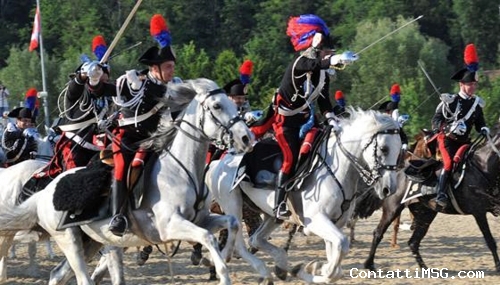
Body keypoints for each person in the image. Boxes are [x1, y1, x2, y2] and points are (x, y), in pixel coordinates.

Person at [250, 14, 358, 219]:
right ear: (318, 49)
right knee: (289, 159)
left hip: (306, 119)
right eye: (328, 52)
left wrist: (331, 117)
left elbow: (323, 99)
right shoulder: (301, 63)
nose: (329, 55)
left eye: (331, 53)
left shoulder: (323, 74)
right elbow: (313, 65)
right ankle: (279, 203)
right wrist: (335, 60)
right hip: (285, 122)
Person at [108, 14, 196, 236]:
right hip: (129, 137)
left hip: (159, 137)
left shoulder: (176, 86)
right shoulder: (135, 82)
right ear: (154, 68)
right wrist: (94, 78)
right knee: (122, 167)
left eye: (173, 66)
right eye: (168, 67)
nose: (172, 70)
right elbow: (105, 91)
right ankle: (118, 215)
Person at [41, 35, 116, 179]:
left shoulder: (108, 101)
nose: (105, 86)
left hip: (100, 149)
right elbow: (75, 87)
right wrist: (84, 75)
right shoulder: (78, 94)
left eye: (106, 82)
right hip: (75, 147)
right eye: (101, 82)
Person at [431, 43, 488, 208]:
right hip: (448, 140)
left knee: (477, 162)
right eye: (470, 85)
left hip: (464, 142)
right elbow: (436, 120)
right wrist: (447, 128)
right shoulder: (451, 101)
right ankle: (441, 193)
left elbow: (480, 122)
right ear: (461, 85)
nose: (473, 87)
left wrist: (484, 128)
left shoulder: (476, 104)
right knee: (449, 164)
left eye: (474, 84)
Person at [378, 83, 409, 149]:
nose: (399, 96)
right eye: (397, 94)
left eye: (398, 94)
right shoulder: (393, 107)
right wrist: (400, 122)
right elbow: (394, 123)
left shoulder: (392, 105)